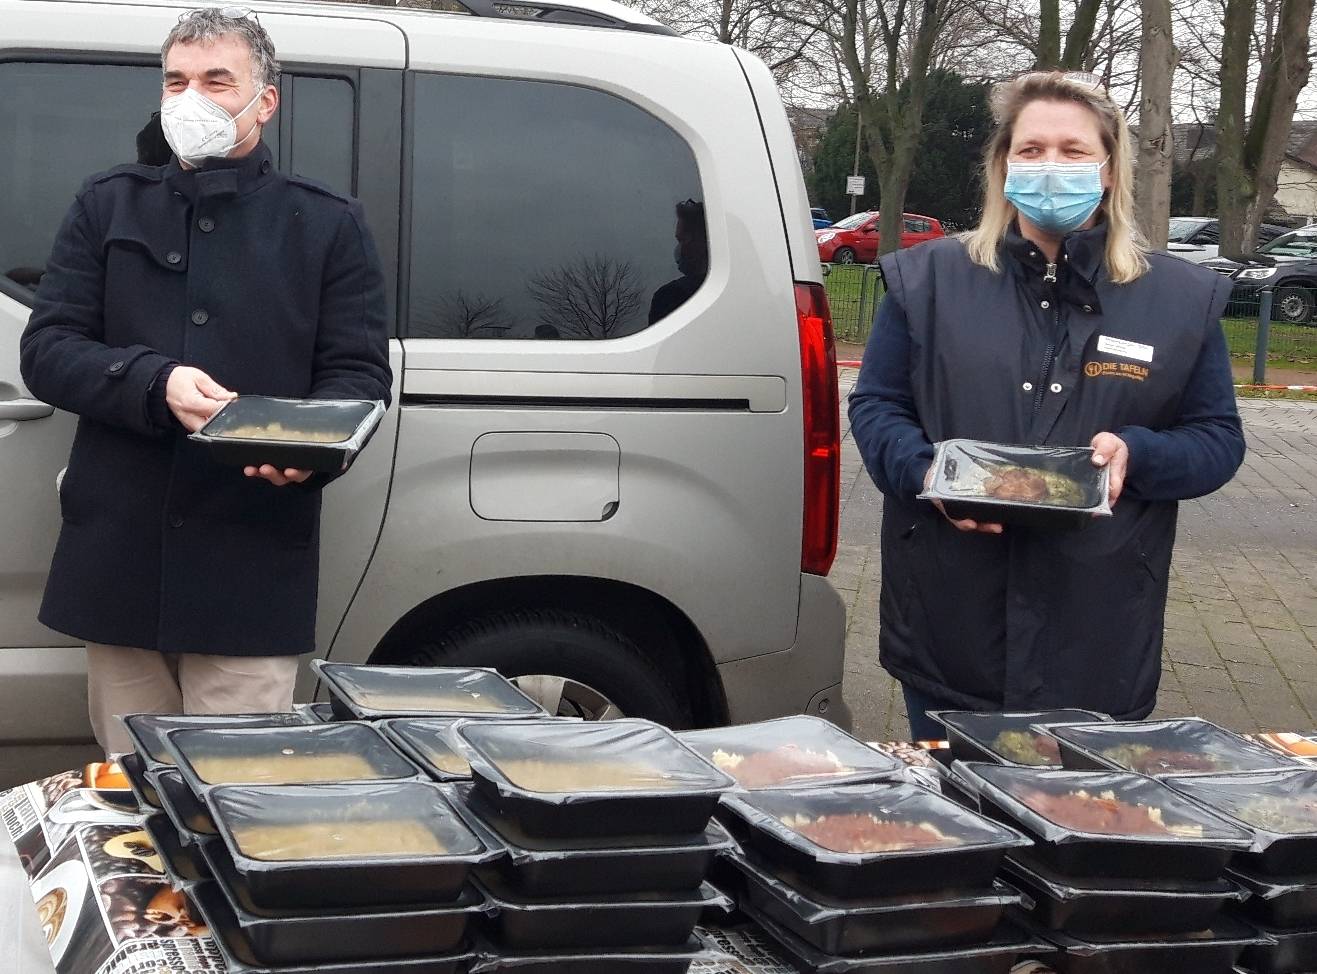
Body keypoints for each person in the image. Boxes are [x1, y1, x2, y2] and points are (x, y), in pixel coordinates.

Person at [19, 7, 392, 756]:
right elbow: (49, 349)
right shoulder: (106, 202)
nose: (193, 97)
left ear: (265, 98)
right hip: (119, 558)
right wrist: (154, 383)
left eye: (217, 79)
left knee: (236, 794)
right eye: (177, 80)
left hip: (249, 560)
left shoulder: (326, 223)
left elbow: (356, 376)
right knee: (134, 798)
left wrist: (309, 449)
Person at [848, 71, 1245, 740]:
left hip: (1096, 633)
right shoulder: (927, 281)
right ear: (1001, 165)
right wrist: (929, 473)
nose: (1050, 167)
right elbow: (877, 408)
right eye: (1030, 150)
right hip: (950, 621)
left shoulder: (1179, 299)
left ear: (1109, 169)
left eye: (1072, 150)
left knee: (1077, 830)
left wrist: (1137, 456)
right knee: (955, 831)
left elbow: (1216, 438)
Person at [648, 199, 708, 324]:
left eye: (682, 240)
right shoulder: (738, 294)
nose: (679, 249)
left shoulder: (669, 297)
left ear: (701, 241)